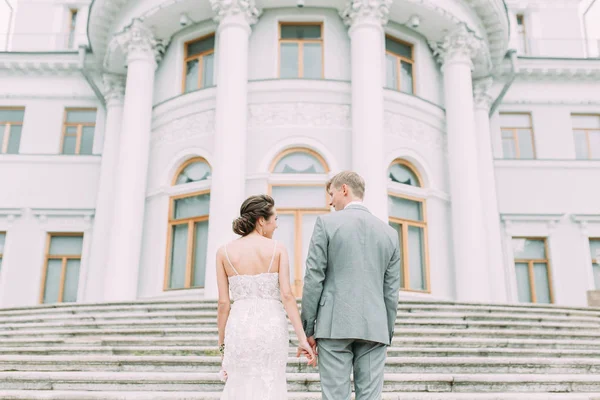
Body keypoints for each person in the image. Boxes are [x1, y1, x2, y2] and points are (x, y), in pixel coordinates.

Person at [300, 171, 401, 400]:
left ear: (344, 189)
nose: (330, 201)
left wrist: (308, 329)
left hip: (333, 324)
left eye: (332, 193)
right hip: (375, 327)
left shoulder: (326, 223)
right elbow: (391, 291)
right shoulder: (390, 233)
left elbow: (314, 277)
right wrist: (386, 330)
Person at [216, 194, 316, 399]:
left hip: (239, 327)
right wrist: (302, 338)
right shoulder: (277, 248)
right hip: (271, 326)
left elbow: (223, 303)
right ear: (261, 220)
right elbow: (287, 296)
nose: (277, 225)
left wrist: (222, 346)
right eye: (275, 219)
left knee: (240, 383)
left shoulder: (223, 252)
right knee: (271, 381)